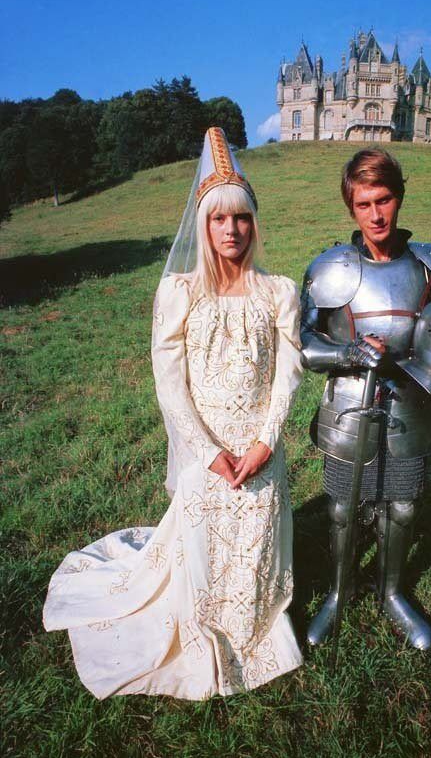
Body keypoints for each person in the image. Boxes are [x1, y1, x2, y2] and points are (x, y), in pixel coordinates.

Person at [43, 128, 303, 699]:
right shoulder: (180, 292)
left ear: (254, 224)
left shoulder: (279, 292)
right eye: (218, 219)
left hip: (260, 449)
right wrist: (207, 452)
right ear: (203, 225)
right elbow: (169, 384)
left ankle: (255, 626)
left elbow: (288, 373)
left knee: (256, 548)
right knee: (205, 557)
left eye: (241, 218)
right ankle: (202, 627)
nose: (231, 230)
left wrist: (265, 442)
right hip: (205, 450)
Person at [301, 149, 431, 651]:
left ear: (400, 197)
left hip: (414, 404)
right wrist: (347, 351)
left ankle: (391, 592)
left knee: (404, 506)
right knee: (342, 507)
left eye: (384, 200)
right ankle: (339, 592)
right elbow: (304, 343)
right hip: (349, 405)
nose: (376, 215)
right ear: (351, 207)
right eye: (364, 204)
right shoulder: (330, 269)